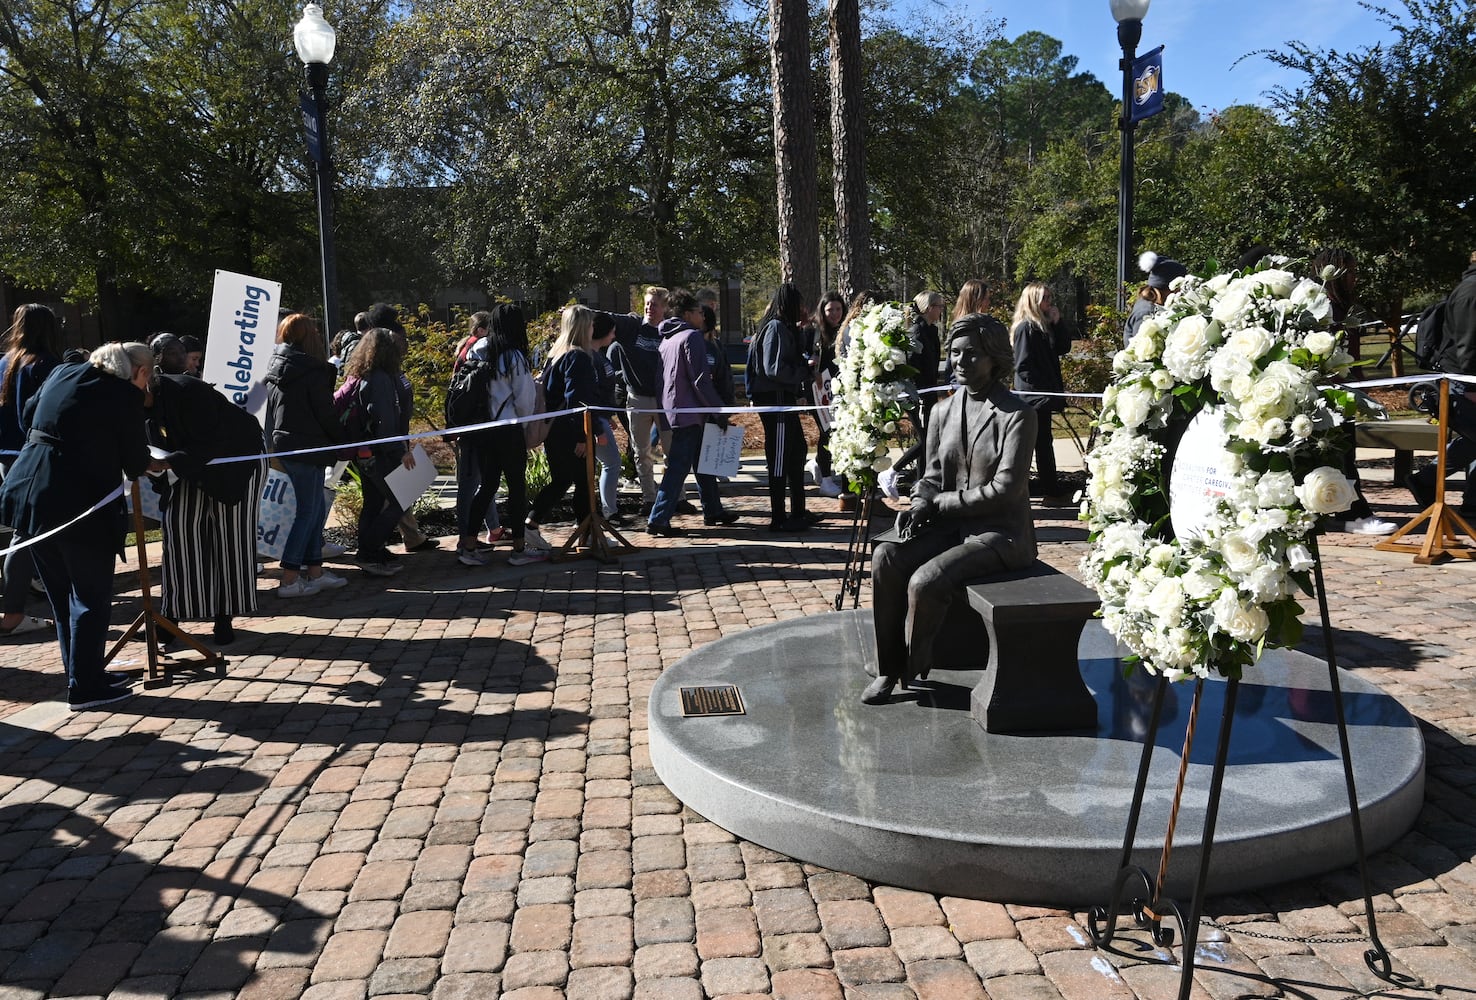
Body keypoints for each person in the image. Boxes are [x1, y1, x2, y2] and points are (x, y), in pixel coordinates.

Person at [864, 315, 1037, 705]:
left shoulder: (1017, 415)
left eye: (971, 354)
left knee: (925, 581)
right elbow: (932, 475)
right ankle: (888, 666)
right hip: (948, 524)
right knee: (885, 557)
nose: (959, 361)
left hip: (998, 533)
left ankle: (914, 661)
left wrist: (941, 502)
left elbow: (1005, 490)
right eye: (954, 353)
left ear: (994, 358)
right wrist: (920, 501)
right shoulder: (942, 411)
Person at [0, 342, 162, 709]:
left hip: (30, 492)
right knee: (90, 596)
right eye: (148, 378)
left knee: (61, 595)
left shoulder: (63, 373)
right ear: (138, 373)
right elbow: (136, 461)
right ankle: (85, 687)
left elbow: (29, 415)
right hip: (76, 503)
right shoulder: (122, 395)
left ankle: (82, 672)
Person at [145, 333, 265, 645]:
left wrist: (170, 462)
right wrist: (158, 466)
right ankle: (171, 617)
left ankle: (224, 619)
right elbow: (154, 443)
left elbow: (214, 441)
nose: (177, 356)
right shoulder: (141, 401)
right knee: (180, 534)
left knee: (229, 541)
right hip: (191, 465)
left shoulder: (189, 390)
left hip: (235, 463)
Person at [264, 313, 351, 597]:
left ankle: (315, 572)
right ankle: (289, 579)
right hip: (307, 446)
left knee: (312, 510)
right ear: (308, 336)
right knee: (307, 512)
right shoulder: (313, 371)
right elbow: (325, 413)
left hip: (288, 444)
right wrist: (344, 439)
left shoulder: (278, 366)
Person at [1310, 249, 1396, 536]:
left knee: (1343, 453)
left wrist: (1359, 383)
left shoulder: (1344, 308)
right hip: (1326, 394)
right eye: (1350, 272)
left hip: (1344, 390)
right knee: (1341, 455)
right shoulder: (1323, 308)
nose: (1354, 278)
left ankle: (1345, 510)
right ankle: (1355, 514)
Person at [457, 304, 545, 567]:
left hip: (483, 429)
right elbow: (525, 399)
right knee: (517, 488)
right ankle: (518, 549)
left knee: (487, 488)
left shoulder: (478, 349)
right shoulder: (514, 356)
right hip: (508, 429)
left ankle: (468, 545)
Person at [647, 290, 739, 536]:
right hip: (692, 413)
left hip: (677, 410)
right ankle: (658, 518)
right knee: (678, 467)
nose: (703, 316)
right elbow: (701, 380)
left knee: (703, 462)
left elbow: (660, 380)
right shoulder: (692, 337)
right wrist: (717, 410)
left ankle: (713, 510)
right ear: (688, 314)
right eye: (699, 312)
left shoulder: (667, 339)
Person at [0, 305, 62, 638]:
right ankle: (12, 613)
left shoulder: (4, 363)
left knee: (30, 531)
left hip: (8, 457)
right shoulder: (46, 365)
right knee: (27, 534)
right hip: (34, 457)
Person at [526, 305, 609, 548]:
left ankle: (587, 532)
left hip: (556, 429)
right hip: (569, 430)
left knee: (573, 480)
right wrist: (584, 436)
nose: (594, 328)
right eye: (591, 324)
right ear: (584, 327)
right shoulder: (578, 357)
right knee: (575, 480)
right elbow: (578, 400)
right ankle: (533, 524)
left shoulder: (556, 354)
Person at [1409, 250, 1476, 514]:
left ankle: (1471, 502)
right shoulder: (1471, 292)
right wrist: (1472, 387)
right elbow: (1468, 346)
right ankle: (1426, 479)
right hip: (1463, 381)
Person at [346, 327, 413, 576]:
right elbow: (385, 420)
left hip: (365, 451)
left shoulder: (363, 375)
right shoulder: (382, 379)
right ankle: (369, 550)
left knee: (373, 503)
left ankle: (370, 550)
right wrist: (400, 451)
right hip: (381, 452)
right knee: (399, 499)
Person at [748, 283, 815, 532]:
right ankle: (778, 517)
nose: (803, 309)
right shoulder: (775, 328)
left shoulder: (786, 328)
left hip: (784, 400)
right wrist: (801, 373)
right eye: (798, 304)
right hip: (775, 401)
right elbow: (774, 369)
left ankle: (798, 510)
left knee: (797, 451)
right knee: (779, 458)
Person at [604, 287, 670, 514]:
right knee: (642, 452)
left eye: (656, 304)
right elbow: (606, 316)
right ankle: (649, 499)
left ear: (665, 308)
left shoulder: (669, 331)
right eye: (648, 303)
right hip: (638, 399)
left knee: (672, 452)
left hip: (665, 402)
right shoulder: (632, 328)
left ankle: (675, 497)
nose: (651, 308)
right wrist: (578, 311)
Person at [1011, 283, 1077, 507]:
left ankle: (1051, 491)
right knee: (1032, 445)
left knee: (1043, 443)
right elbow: (1023, 366)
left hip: (1044, 396)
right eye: (1044, 298)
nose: (1049, 302)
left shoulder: (1043, 326)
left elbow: (1063, 348)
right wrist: (1037, 392)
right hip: (1033, 398)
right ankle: (1031, 491)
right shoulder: (1025, 328)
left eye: (1050, 296)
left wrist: (1058, 324)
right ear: (1033, 301)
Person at [449, 311, 506, 553]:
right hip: (474, 428)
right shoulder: (477, 353)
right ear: (481, 330)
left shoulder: (467, 349)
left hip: (471, 426)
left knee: (485, 482)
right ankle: (466, 537)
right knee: (470, 485)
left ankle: (494, 529)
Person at [880, 291, 946, 498]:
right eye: (939, 306)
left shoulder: (931, 331)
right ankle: (891, 472)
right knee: (925, 439)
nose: (941, 310)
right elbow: (913, 365)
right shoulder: (917, 331)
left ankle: (921, 481)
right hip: (916, 394)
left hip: (928, 392)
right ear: (929, 308)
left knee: (929, 439)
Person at [806, 291, 845, 498]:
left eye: (838, 309)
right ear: (823, 310)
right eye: (830, 310)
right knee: (827, 431)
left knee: (834, 431)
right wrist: (811, 368)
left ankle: (818, 464)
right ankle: (827, 481)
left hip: (838, 389)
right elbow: (805, 356)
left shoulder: (844, 330)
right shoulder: (813, 331)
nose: (835, 314)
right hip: (818, 390)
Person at [1124, 252, 1188, 345]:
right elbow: (1140, 349)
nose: (1182, 292)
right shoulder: (1145, 313)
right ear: (1171, 287)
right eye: (1179, 288)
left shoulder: (1150, 303)